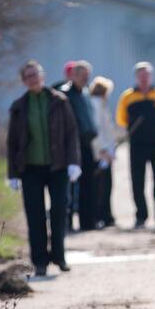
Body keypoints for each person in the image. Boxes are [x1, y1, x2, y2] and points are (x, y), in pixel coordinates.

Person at [6, 60, 81, 276]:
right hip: (30, 169)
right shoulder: (19, 106)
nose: (33, 78)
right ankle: (39, 261)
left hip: (58, 167)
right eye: (28, 76)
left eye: (36, 74)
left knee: (59, 212)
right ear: (23, 81)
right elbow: (11, 142)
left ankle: (59, 256)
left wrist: (74, 162)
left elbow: (71, 133)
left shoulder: (59, 100)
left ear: (43, 75)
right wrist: (12, 174)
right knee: (35, 216)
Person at [116, 62, 155, 230]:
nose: (144, 78)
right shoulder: (127, 96)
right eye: (141, 75)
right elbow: (121, 119)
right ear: (136, 77)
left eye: (146, 75)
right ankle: (141, 217)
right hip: (137, 145)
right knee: (137, 182)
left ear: (151, 76)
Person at [60, 61, 99, 231]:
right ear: (73, 75)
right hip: (72, 145)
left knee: (88, 185)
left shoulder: (85, 92)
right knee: (69, 185)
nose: (86, 79)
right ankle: (67, 222)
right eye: (82, 76)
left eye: (87, 76)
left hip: (87, 143)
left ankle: (87, 222)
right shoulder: (65, 94)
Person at [89, 75, 118, 228]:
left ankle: (107, 216)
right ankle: (101, 216)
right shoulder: (95, 104)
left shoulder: (101, 104)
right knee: (101, 187)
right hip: (101, 153)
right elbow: (97, 130)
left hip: (106, 153)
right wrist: (104, 150)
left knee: (107, 186)